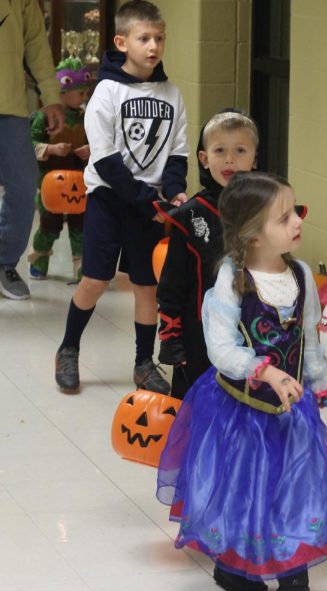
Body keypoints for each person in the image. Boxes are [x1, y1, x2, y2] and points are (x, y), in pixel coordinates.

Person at [157, 172, 327, 591]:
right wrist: (262, 370)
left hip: (291, 412)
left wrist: (318, 383)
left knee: (294, 484)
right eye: (284, 217)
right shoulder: (231, 278)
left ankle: (294, 576)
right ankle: (238, 568)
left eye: (295, 212)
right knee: (246, 487)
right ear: (253, 236)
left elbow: (308, 336)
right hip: (242, 409)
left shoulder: (303, 275)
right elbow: (220, 346)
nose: (297, 223)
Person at [54, 0, 188, 394]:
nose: (154, 46)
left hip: (151, 205)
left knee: (147, 287)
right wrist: (148, 202)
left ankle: (144, 362)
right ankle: (68, 348)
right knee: (96, 280)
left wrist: (176, 192)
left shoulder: (172, 93)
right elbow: (107, 159)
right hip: (111, 200)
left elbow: (177, 153)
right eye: (144, 38)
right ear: (121, 41)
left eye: (159, 38)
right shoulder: (106, 93)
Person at [156, 109, 259, 399]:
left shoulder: (267, 212)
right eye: (220, 150)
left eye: (240, 150)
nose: (229, 159)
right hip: (198, 337)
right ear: (204, 158)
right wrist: (172, 338)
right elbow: (172, 283)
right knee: (198, 415)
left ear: (254, 159)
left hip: (254, 335)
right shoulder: (190, 216)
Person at [0, 0, 65, 299]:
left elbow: (36, 43)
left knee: (24, 186)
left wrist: (51, 95)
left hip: (9, 107)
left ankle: (4, 262)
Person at [27, 57, 93, 282]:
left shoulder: (87, 118)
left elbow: (99, 143)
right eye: (80, 93)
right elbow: (29, 145)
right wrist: (52, 148)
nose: (84, 98)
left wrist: (90, 149)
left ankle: (81, 266)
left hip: (78, 181)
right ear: (63, 92)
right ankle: (39, 258)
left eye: (86, 93)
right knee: (49, 226)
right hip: (50, 183)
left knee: (79, 227)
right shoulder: (43, 117)